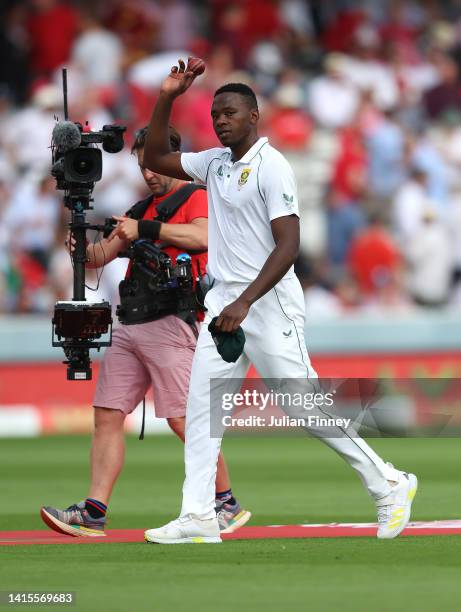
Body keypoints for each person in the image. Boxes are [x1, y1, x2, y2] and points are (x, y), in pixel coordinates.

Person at [142, 58, 418, 544]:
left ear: (254, 116)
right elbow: (157, 160)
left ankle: (390, 484)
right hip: (226, 306)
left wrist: (245, 302)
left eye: (229, 112)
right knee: (202, 409)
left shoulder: (272, 166)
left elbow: (289, 246)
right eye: (214, 115)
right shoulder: (214, 163)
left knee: (306, 410)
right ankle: (199, 515)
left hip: (266, 306)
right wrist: (167, 96)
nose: (220, 120)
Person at [40, 125, 251, 537]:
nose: (148, 172)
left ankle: (226, 502)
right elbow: (99, 258)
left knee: (183, 419)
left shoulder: (195, 196)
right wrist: (78, 236)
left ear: (173, 157)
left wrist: (144, 231)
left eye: (153, 163)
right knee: (107, 415)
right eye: (141, 165)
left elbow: (201, 237)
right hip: (132, 321)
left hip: (173, 321)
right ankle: (93, 511)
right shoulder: (140, 209)